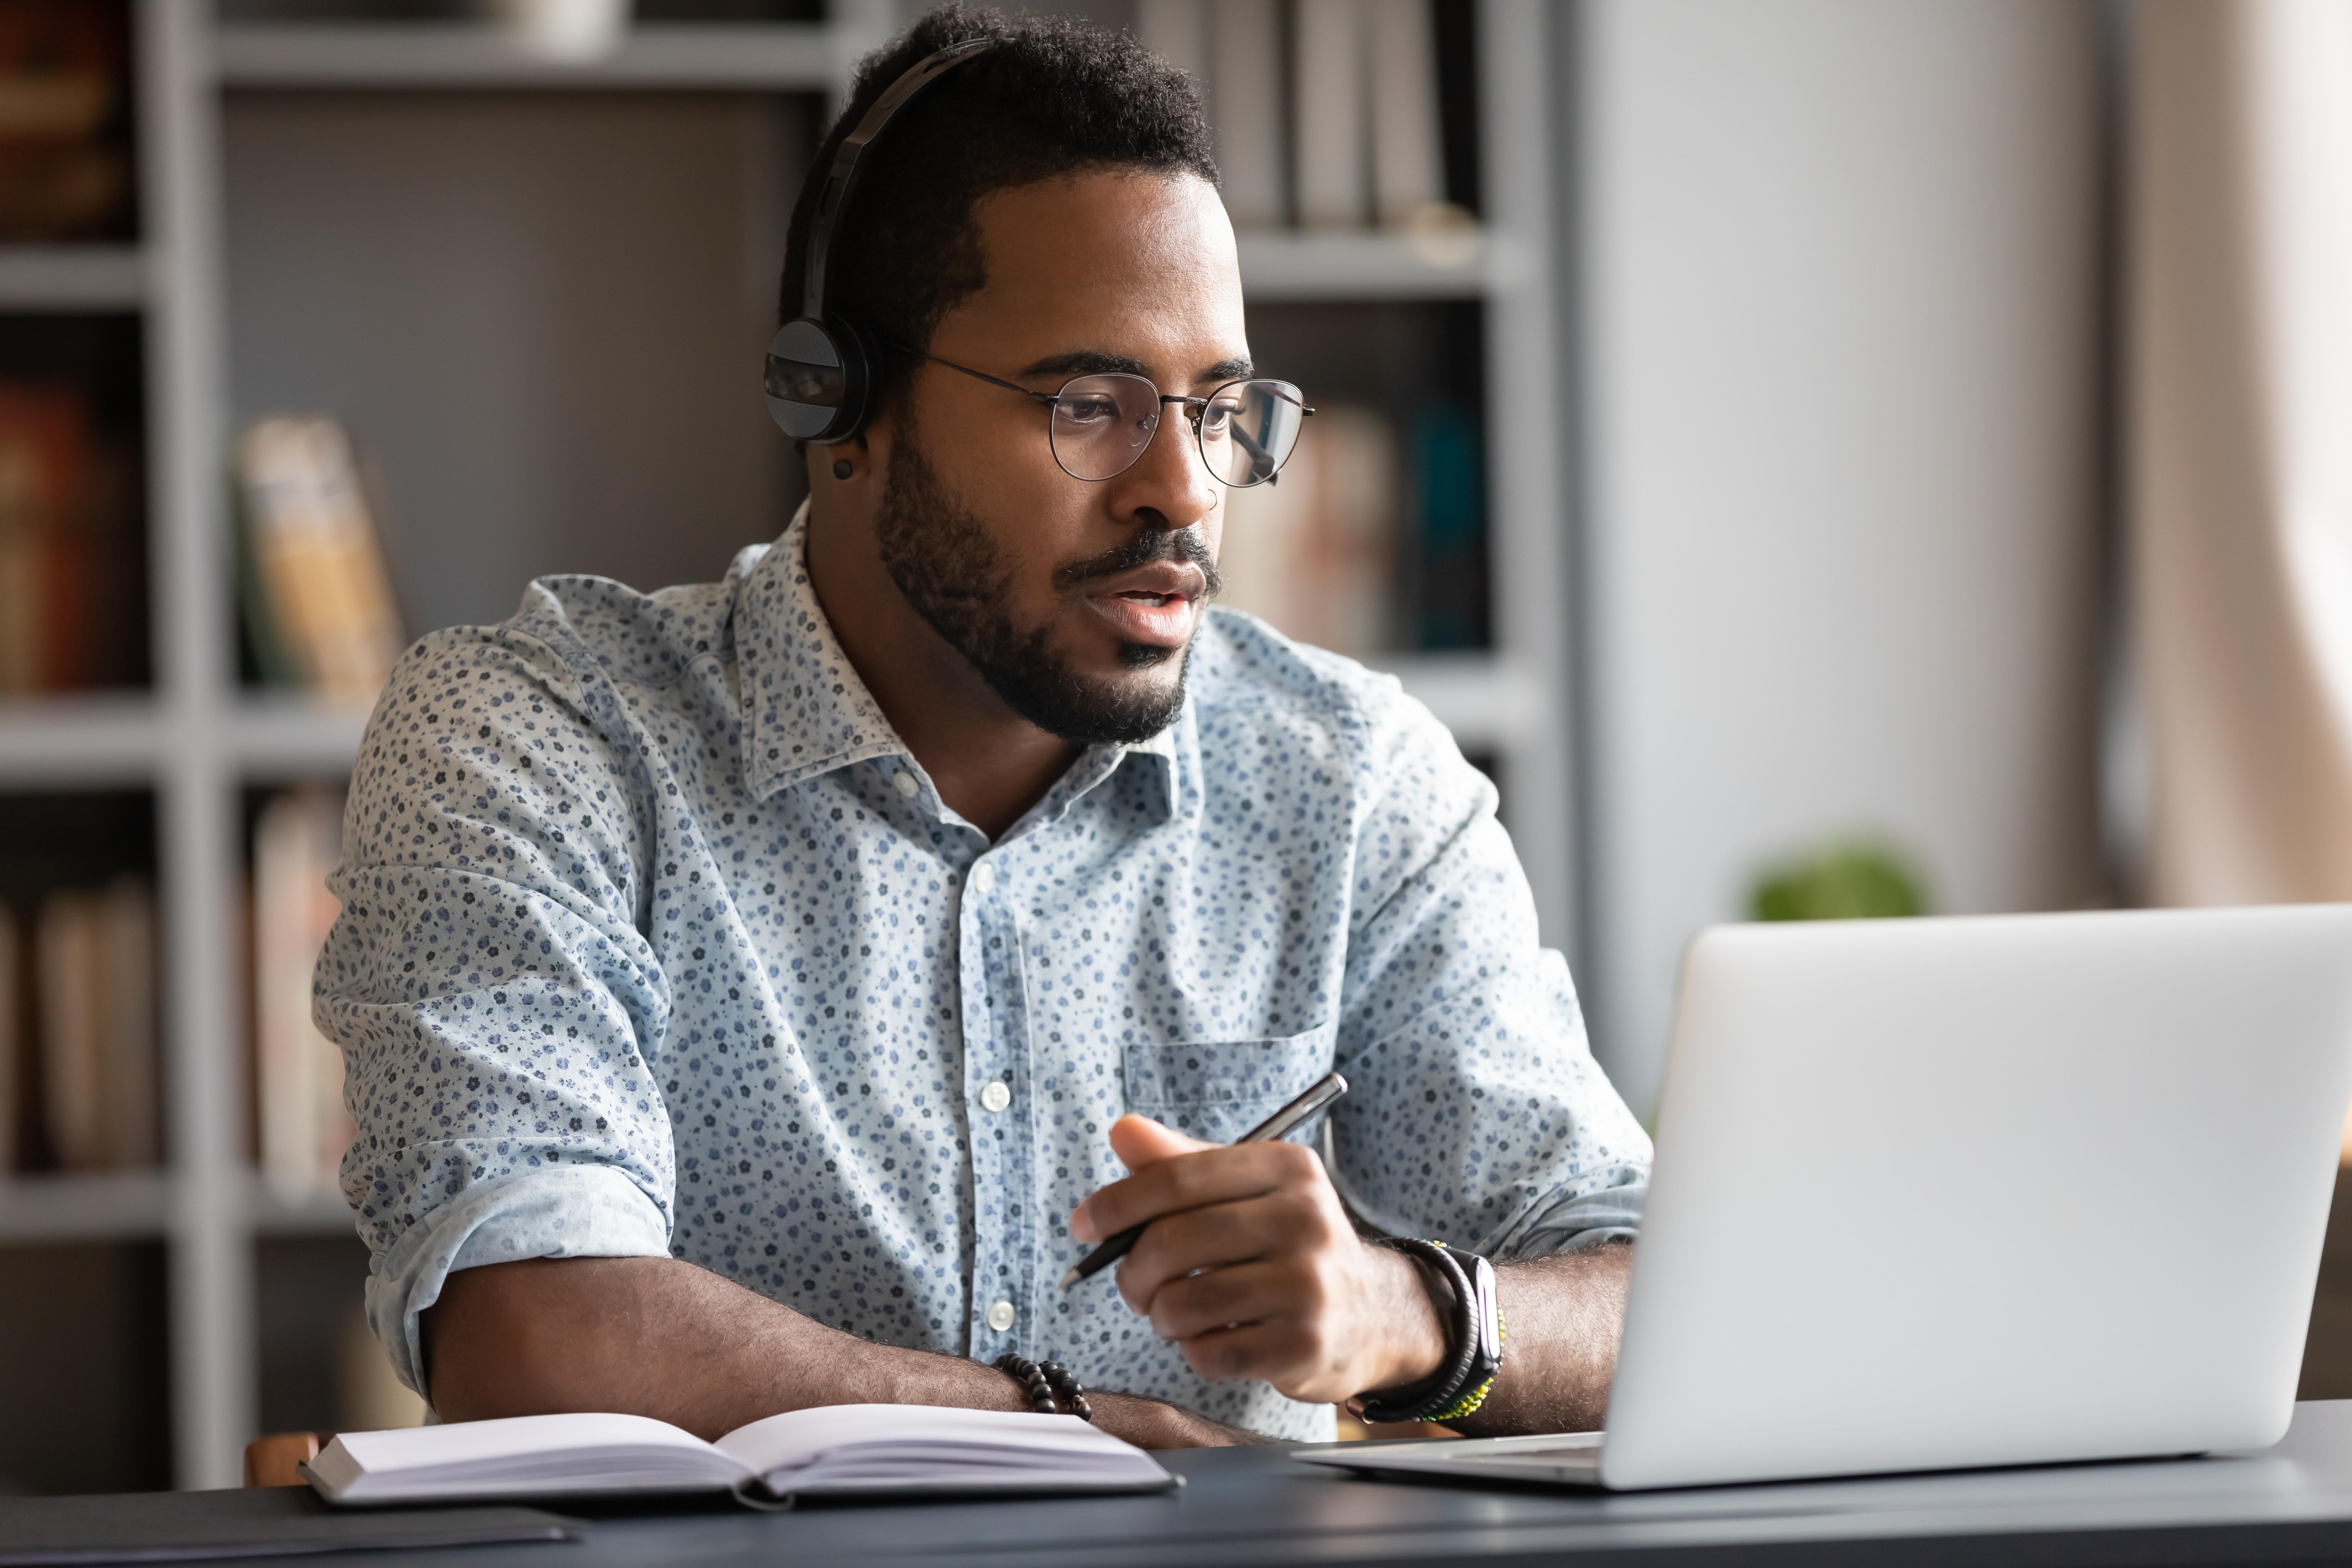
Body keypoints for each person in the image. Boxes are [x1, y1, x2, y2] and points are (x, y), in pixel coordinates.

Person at [318, 2, 1650, 1449]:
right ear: (841, 401)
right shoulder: (541, 737)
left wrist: (1415, 1315)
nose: (1185, 491)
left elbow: (1659, 1295)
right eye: (1091, 403)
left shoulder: (1348, 781)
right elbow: (534, 1332)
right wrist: (1055, 1424)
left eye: (1218, 409)